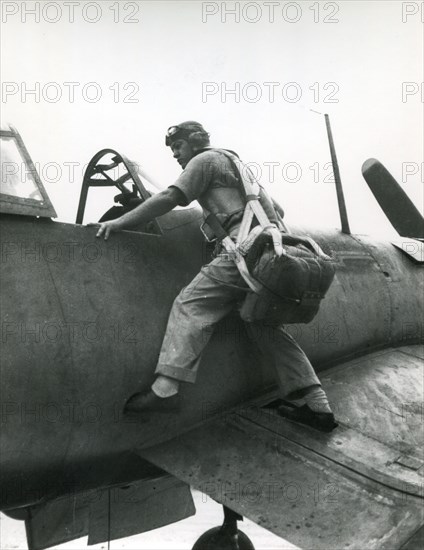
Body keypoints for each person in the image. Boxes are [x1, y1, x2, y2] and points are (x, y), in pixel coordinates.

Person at [94, 121, 337, 432]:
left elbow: (170, 198)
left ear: (195, 142)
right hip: (273, 255)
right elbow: (278, 209)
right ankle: (319, 406)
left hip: (245, 251)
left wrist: (121, 222)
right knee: (263, 325)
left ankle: (166, 390)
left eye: (178, 147)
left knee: (190, 304)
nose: (175, 155)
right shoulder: (240, 167)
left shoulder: (204, 160)